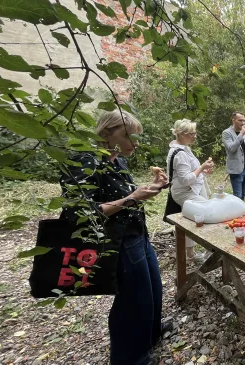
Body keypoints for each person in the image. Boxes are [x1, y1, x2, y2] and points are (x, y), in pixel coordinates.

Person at [60, 111, 169, 365]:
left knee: (152, 289)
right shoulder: (84, 160)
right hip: (115, 241)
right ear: (107, 133)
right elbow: (79, 213)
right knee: (133, 302)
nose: (136, 143)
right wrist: (134, 198)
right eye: (129, 136)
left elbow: (123, 194)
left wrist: (151, 187)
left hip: (137, 234)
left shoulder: (116, 159)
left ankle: (151, 335)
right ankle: (132, 359)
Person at [167, 119, 215, 260]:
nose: (195, 136)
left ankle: (191, 254)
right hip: (185, 192)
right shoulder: (179, 153)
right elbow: (186, 179)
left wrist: (204, 171)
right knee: (208, 214)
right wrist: (201, 168)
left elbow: (190, 172)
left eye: (195, 133)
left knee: (189, 221)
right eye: (191, 134)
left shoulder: (184, 148)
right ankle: (209, 249)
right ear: (181, 134)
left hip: (191, 189)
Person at [222, 112, 245, 200]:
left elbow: (244, 150)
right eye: (240, 120)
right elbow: (231, 149)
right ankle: (236, 213)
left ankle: (241, 213)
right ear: (233, 120)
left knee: (243, 195)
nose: (243, 123)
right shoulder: (226, 133)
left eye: (244, 120)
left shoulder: (242, 133)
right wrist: (241, 134)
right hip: (236, 170)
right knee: (237, 196)